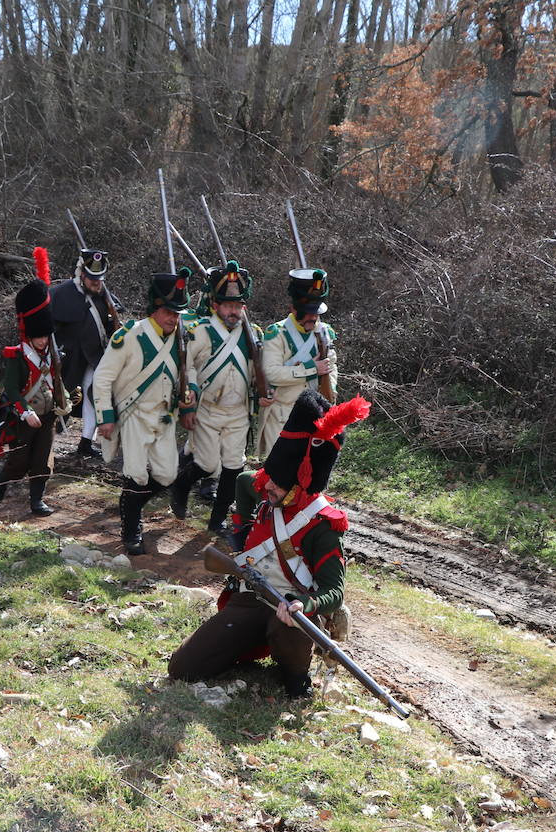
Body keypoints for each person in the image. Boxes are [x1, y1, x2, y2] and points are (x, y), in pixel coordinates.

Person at [168, 389, 370, 699]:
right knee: (182, 668)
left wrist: (307, 604)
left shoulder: (324, 524)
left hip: (290, 609)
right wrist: (241, 536)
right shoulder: (266, 483)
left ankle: (296, 677)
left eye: (277, 481)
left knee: (290, 627)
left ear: (302, 480)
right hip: (250, 599)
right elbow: (242, 483)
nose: (267, 484)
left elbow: (334, 591)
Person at [92, 267, 195, 555]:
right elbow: (103, 378)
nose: (174, 319)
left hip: (165, 416)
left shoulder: (182, 337)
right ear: (155, 309)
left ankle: (130, 504)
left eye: (177, 314)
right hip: (134, 414)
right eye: (169, 313)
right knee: (136, 474)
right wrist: (106, 416)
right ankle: (131, 529)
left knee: (166, 475)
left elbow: (191, 370)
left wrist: (191, 391)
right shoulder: (130, 336)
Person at [170, 260, 272, 536]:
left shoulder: (253, 335)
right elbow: (187, 366)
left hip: (238, 412)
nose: (233, 311)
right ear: (215, 305)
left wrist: (263, 391)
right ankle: (180, 486)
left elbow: (256, 372)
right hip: (208, 410)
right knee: (207, 464)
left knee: (233, 467)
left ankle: (217, 521)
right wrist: (189, 394)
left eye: (238, 306)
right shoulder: (201, 331)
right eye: (228, 306)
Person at [0, 248, 63, 516]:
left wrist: (63, 401)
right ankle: (2, 478)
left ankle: (37, 500)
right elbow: (11, 389)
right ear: (29, 333)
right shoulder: (17, 356)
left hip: (48, 415)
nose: (43, 340)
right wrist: (25, 411)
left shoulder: (55, 354)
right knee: (19, 460)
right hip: (25, 416)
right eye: (39, 336)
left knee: (43, 460)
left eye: (46, 336)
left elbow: (57, 381)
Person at [257, 268, 338, 457]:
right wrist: (310, 369)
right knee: (276, 475)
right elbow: (271, 373)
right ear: (293, 309)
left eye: (315, 312)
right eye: (306, 312)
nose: (312, 317)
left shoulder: (325, 332)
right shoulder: (277, 333)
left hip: (314, 413)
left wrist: (330, 388)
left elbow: (331, 367)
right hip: (282, 414)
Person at [50, 248, 120, 458]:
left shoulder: (103, 295)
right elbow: (50, 328)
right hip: (69, 358)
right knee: (59, 401)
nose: (96, 283)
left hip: (95, 357)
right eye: (92, 279)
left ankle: (86, 442)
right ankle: (42, 444)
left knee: (94, 394)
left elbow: (110, 324)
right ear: (82, 274)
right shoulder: (60, 294)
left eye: (99, 279)